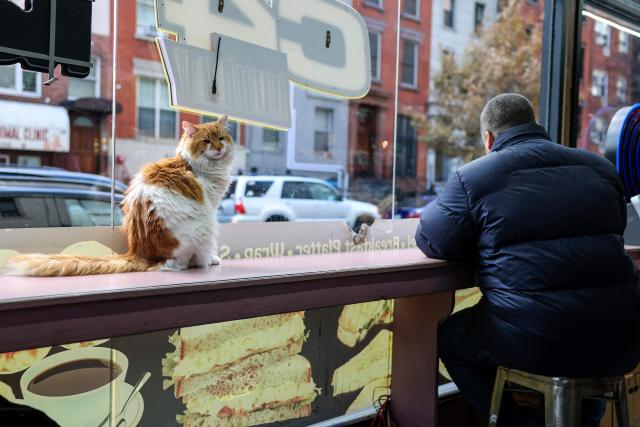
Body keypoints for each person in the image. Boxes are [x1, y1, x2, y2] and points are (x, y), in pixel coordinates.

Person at [415, 93, 640, 426]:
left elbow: (433, 240)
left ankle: (518, 422)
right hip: (624, 336)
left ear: (488, 139)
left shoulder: (473, 177)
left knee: (450, 336)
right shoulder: (600, 169)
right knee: (588, 351)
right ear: (537, 126)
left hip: (539, 340)